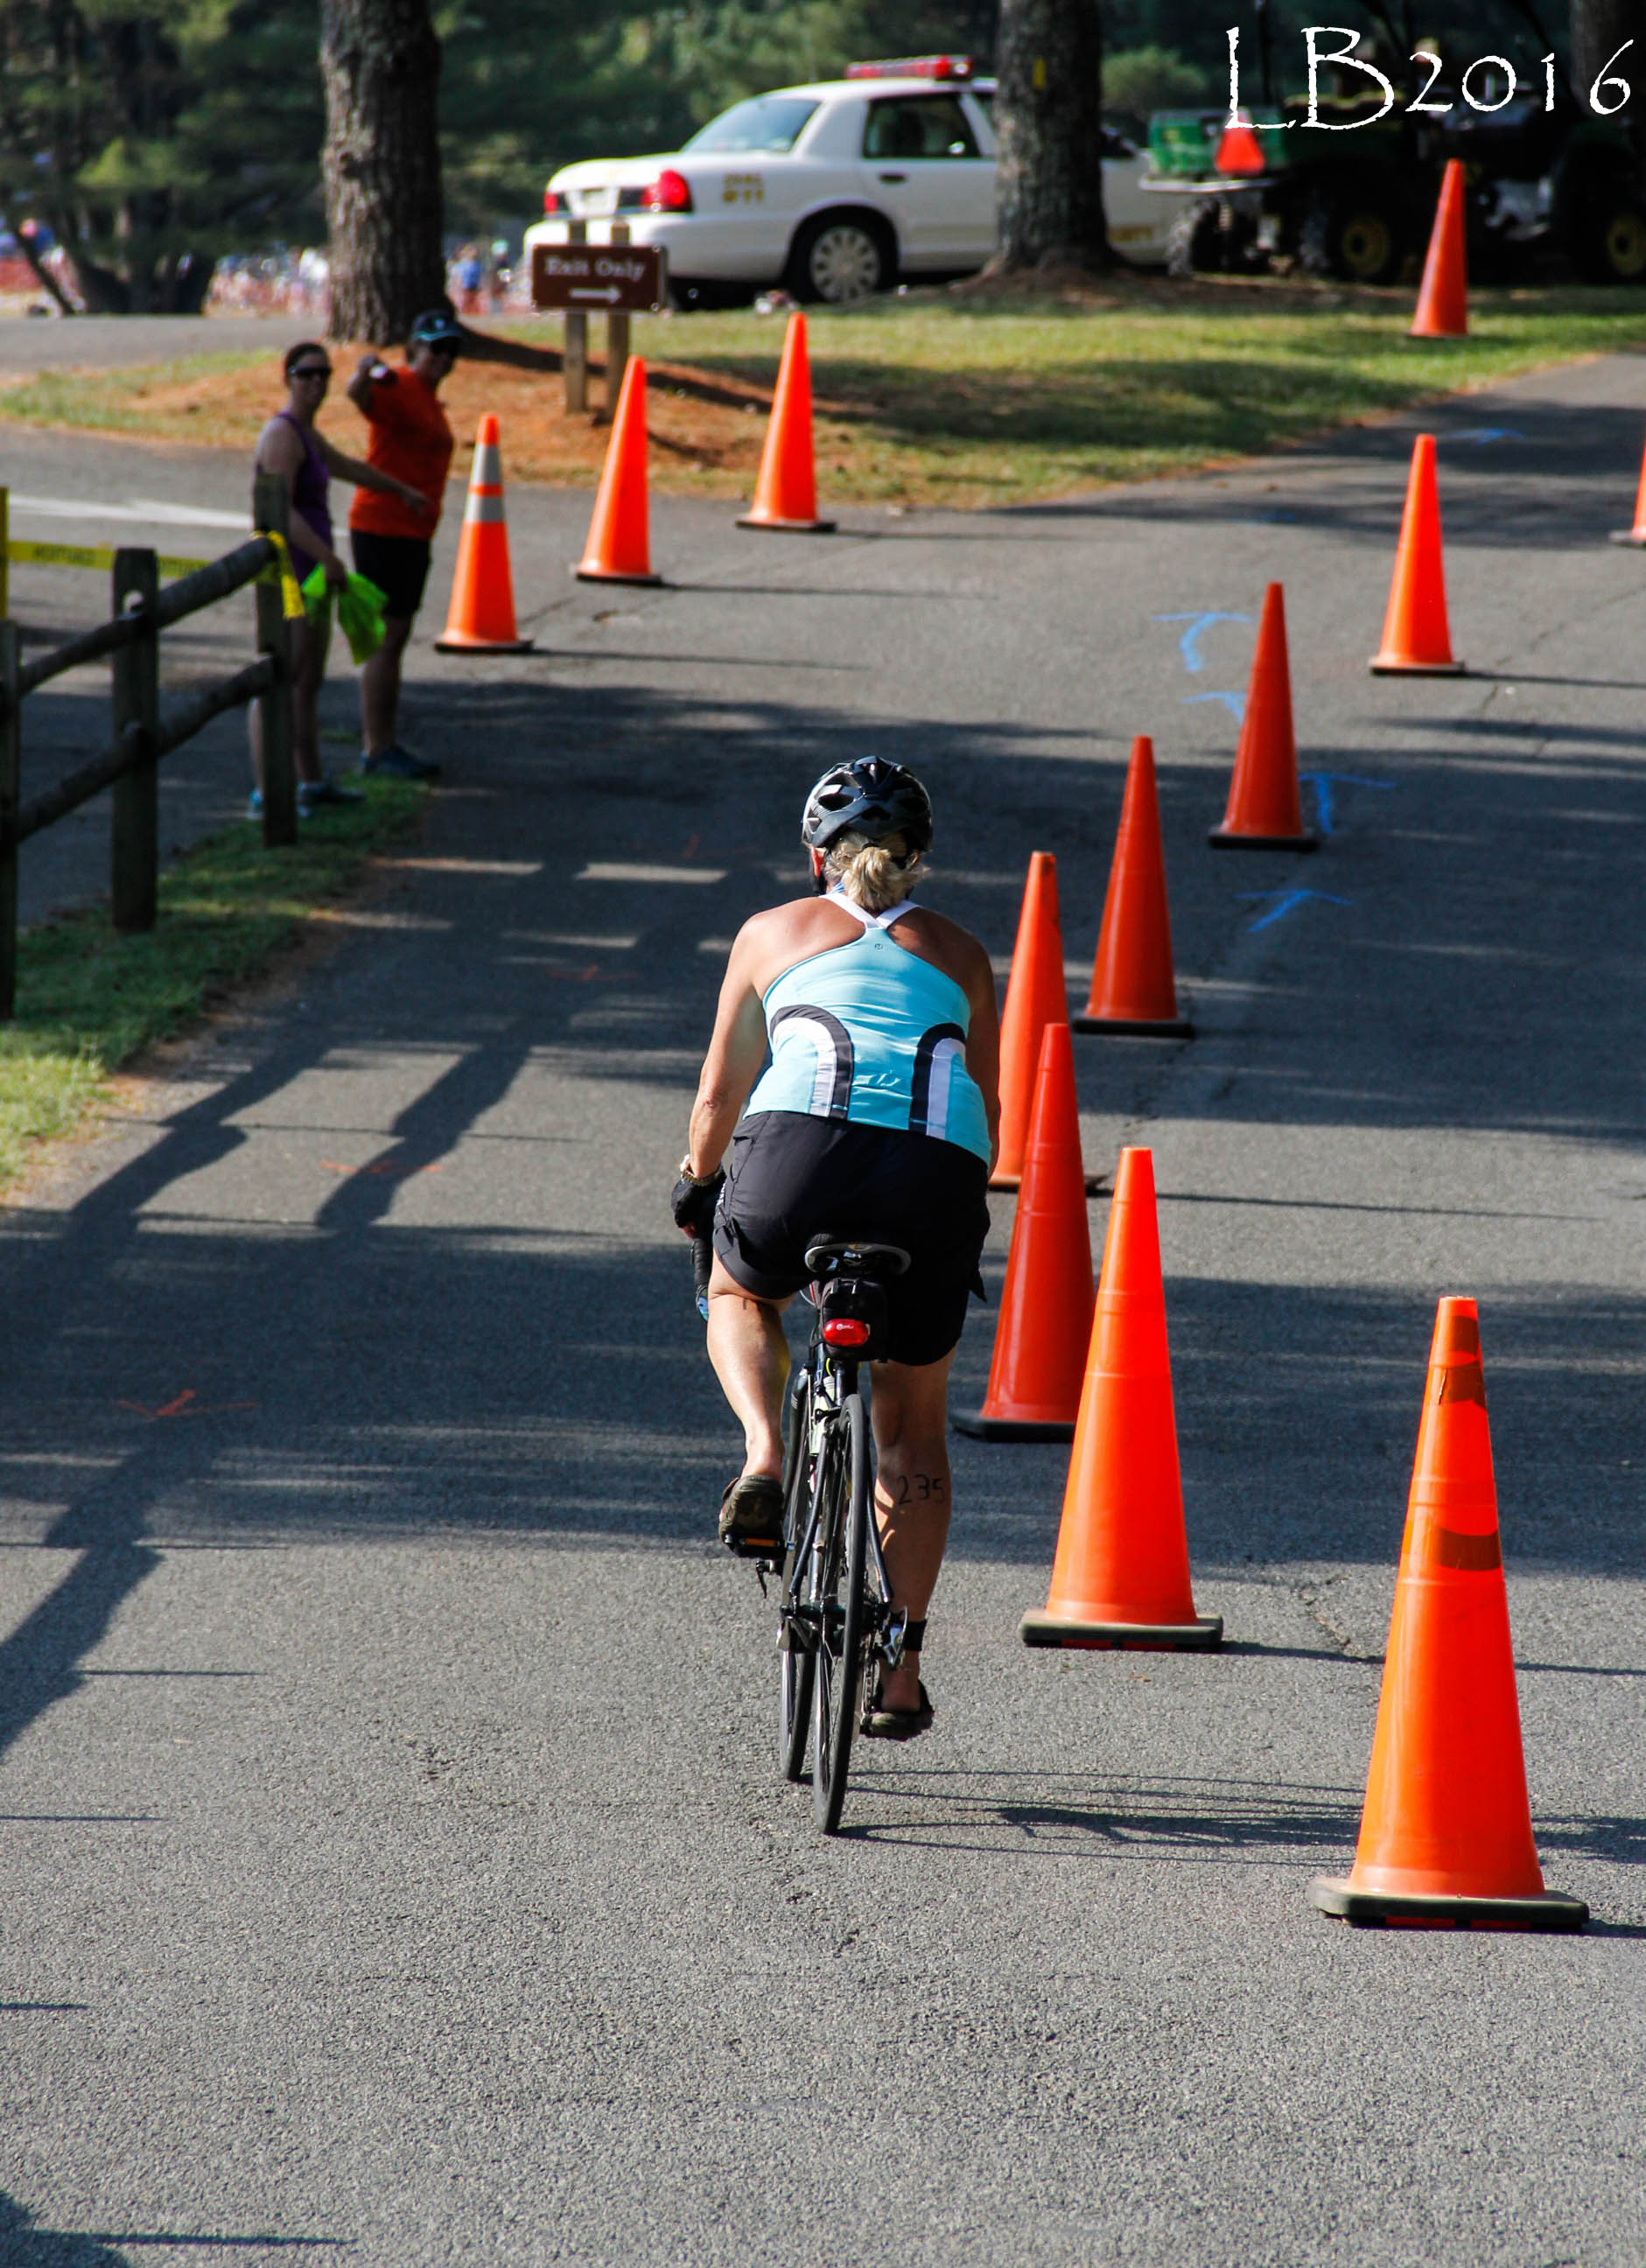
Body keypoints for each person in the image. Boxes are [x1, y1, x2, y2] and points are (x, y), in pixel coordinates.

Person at [672, 760, 999, 1740]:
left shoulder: (771, 932)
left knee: (740, 1294)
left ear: (816, 856)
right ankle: (901, 1671)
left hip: (796, 1158)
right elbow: (992, 1105)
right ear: (919, 857)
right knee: (913, 1431)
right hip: (936, 1171)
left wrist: (697, 1182)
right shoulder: (965, 953)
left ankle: (765, 1454)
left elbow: (718, 1095)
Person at [249, 340, 430, 817]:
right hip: (290, 574)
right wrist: (326, 557)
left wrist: (400, 490)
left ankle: (310, 781)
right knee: (280, 678)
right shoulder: (282, 434)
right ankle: (266, 794)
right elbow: (280, 511)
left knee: (308, 681)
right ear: (287, 378)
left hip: (313, 576)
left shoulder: (307, 433)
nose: (316, 383)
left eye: (324, 375)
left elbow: (347, 467)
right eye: (306, 374)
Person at [344, 308, 466, 780]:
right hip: (383, 526)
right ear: (414, 348)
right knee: (385, 638)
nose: (444, 358)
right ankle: (377, 749)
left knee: (394, 639)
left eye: (451, 350)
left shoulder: (428, 398)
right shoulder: (400, 384)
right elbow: (361, 396)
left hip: (412, 532)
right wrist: (363, 372)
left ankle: (384, 743)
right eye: (435, 348)